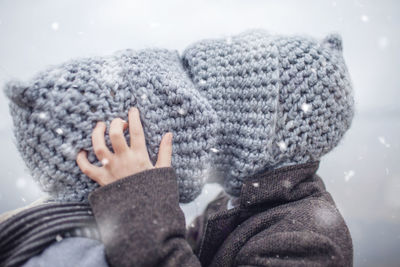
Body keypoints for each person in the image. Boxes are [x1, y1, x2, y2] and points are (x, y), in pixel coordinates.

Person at [0, 29, 354, 266]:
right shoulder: (242, 202)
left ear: (262, 129)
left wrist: (137, 195)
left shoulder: (312, 238)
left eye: (211, 98)